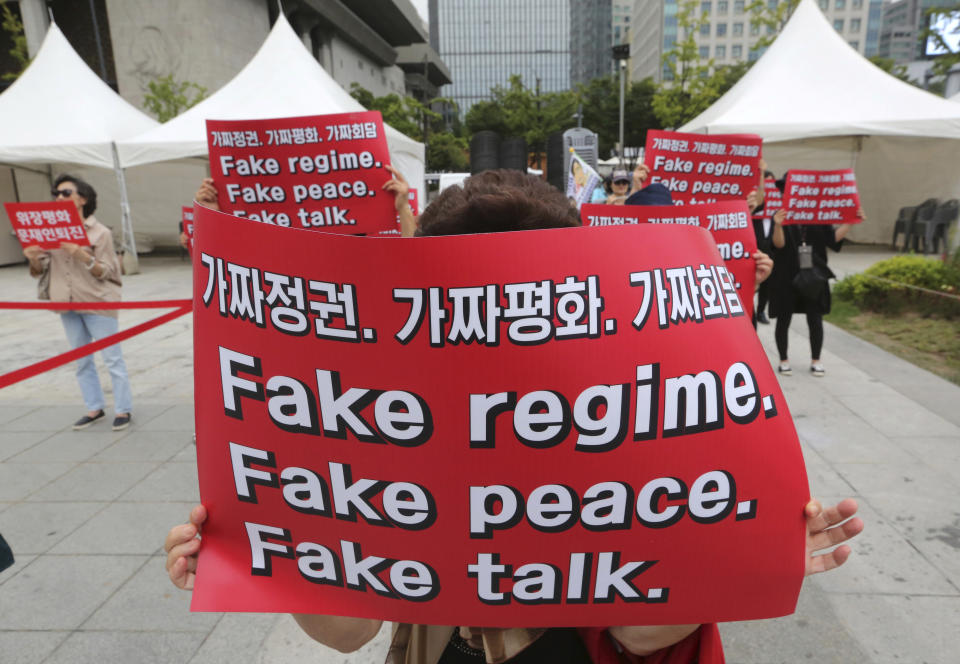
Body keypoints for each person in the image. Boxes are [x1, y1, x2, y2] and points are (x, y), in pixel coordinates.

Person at [167, 170, 862, 663]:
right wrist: (265, 548)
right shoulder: (380, 422)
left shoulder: (634, 415)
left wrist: (746, 560)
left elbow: (641, 636)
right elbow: (348, 630)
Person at [22, 175, 133, 431]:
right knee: (82, 360)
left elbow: (108, 272)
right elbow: (39, 272)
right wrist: (32, 258)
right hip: (66, 303)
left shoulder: (100, 232)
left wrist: (80, 254)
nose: (59, 197)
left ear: (82, 198)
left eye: (65, 192)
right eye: (56, 193)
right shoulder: (49, 231)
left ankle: (123, 409)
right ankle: (94, 408)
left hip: (97, 302)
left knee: (112, 359)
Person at [769, 201, 862, 377]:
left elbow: (832, 240)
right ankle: (783, 360)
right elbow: (778, 244)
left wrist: (851, 222)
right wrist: (778, 225)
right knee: (784, 318)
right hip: (787, 276)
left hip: (814, 276)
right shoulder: (781, 213)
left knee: (815, 318)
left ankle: (816, 360)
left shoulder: (819, 215)